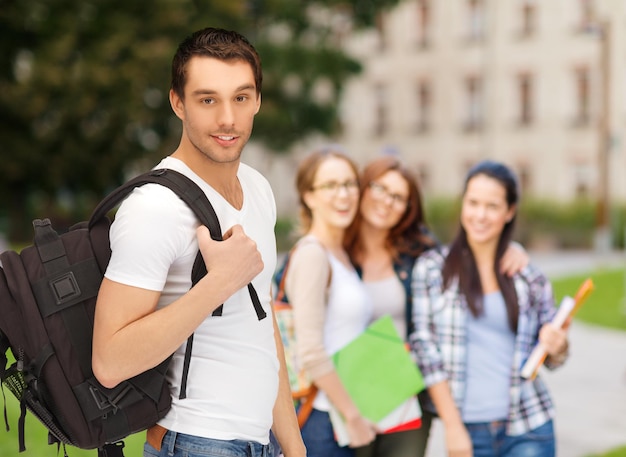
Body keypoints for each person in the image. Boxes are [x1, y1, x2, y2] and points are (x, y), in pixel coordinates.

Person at [91, 27, 305, 457]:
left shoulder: (259, 189)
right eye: (208, 100)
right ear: (178, 103)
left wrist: (294, 445)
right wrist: (216, 283)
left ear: (258, 101)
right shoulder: (156, 207)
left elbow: (262, 330)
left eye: (241, 98)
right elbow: (109, 361)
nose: (227, 118)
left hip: (265, 441)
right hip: (194, 441)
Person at [343, 156, 530, 457]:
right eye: (380, 188)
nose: (387, 201)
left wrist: (512, 248)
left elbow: (467, 255)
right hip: (343, 392)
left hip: (403, 392)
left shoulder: (418, 251)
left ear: (408, 208)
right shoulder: (333, 248)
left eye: (399, 197)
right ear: (364, 188)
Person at [410, 160, 570, 457]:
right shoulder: (432, 270)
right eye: (473, 203)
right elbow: (425, 351)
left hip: (528, 426)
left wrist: (558, 347)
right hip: (467, 429)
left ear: (509, 212)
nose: (480, 215)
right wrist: (453, 426)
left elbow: (551, 358)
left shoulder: (528, 277)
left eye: (492, 206)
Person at [283, 146, 377, 457]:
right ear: (309, 196)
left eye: (350, 184)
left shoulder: (342, 254)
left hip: (342, 418)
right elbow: (312, 350)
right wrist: (353, 415)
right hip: (323, 420)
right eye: (331, 186)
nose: (344, 194)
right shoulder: (313, 254)